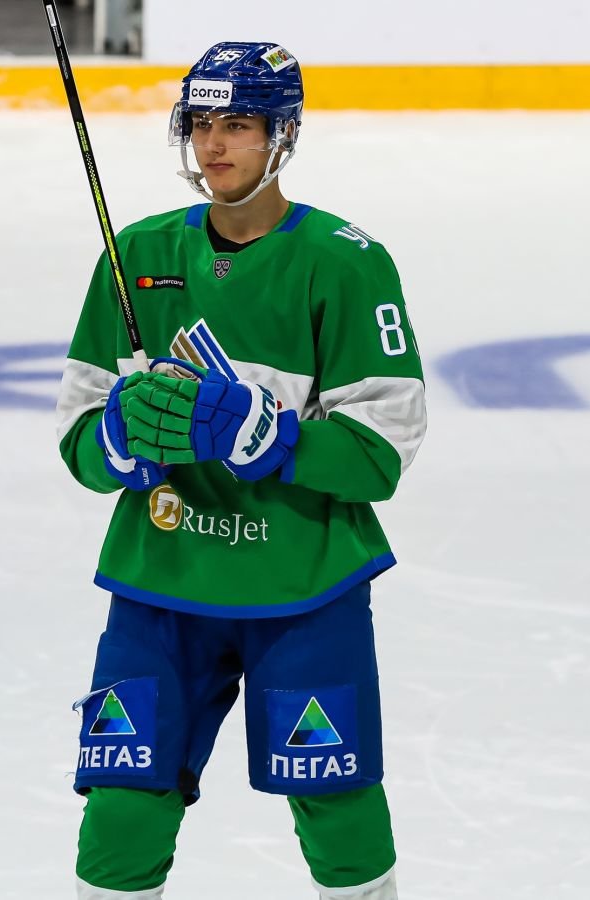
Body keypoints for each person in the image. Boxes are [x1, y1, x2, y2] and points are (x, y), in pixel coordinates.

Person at [56, 41, 426, 900]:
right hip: (162, 579)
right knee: (121, 809)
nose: (215, 144)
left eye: (240, 124)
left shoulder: (345, 261)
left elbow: (383, 453)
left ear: (283, 133)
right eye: (202, 123)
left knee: (335, 803)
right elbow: (78, 438)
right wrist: (118, 440)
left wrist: (276, 437)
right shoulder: (136, 254)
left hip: (304, 581)